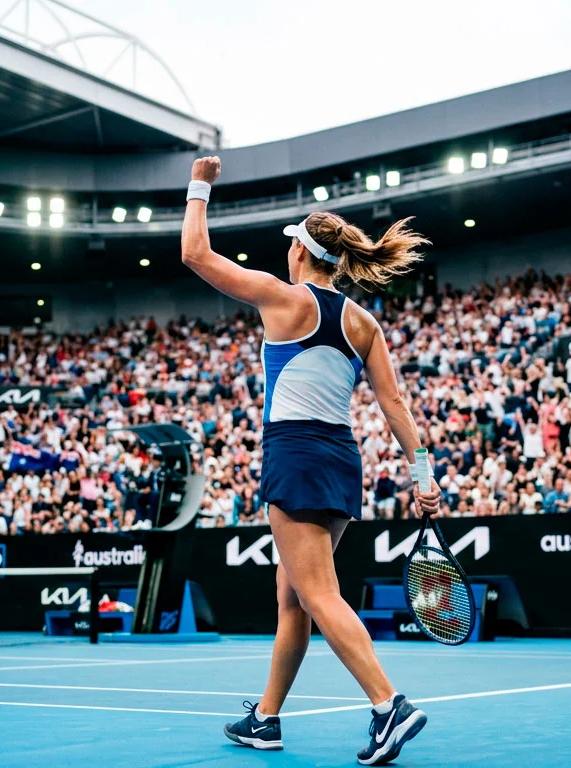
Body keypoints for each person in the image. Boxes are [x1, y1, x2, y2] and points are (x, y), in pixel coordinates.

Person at [182, 156, 439, 766]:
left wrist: (199, 185)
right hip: (341, 459)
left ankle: (389, 706)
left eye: (290, 244)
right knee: (293, 597)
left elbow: (194, 254)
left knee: (318, 593)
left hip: (294, 453)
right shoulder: (363, 321)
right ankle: (265, 719)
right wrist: (423, 475)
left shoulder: (281, 296)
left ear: (299, 251)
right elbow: (395, 405)